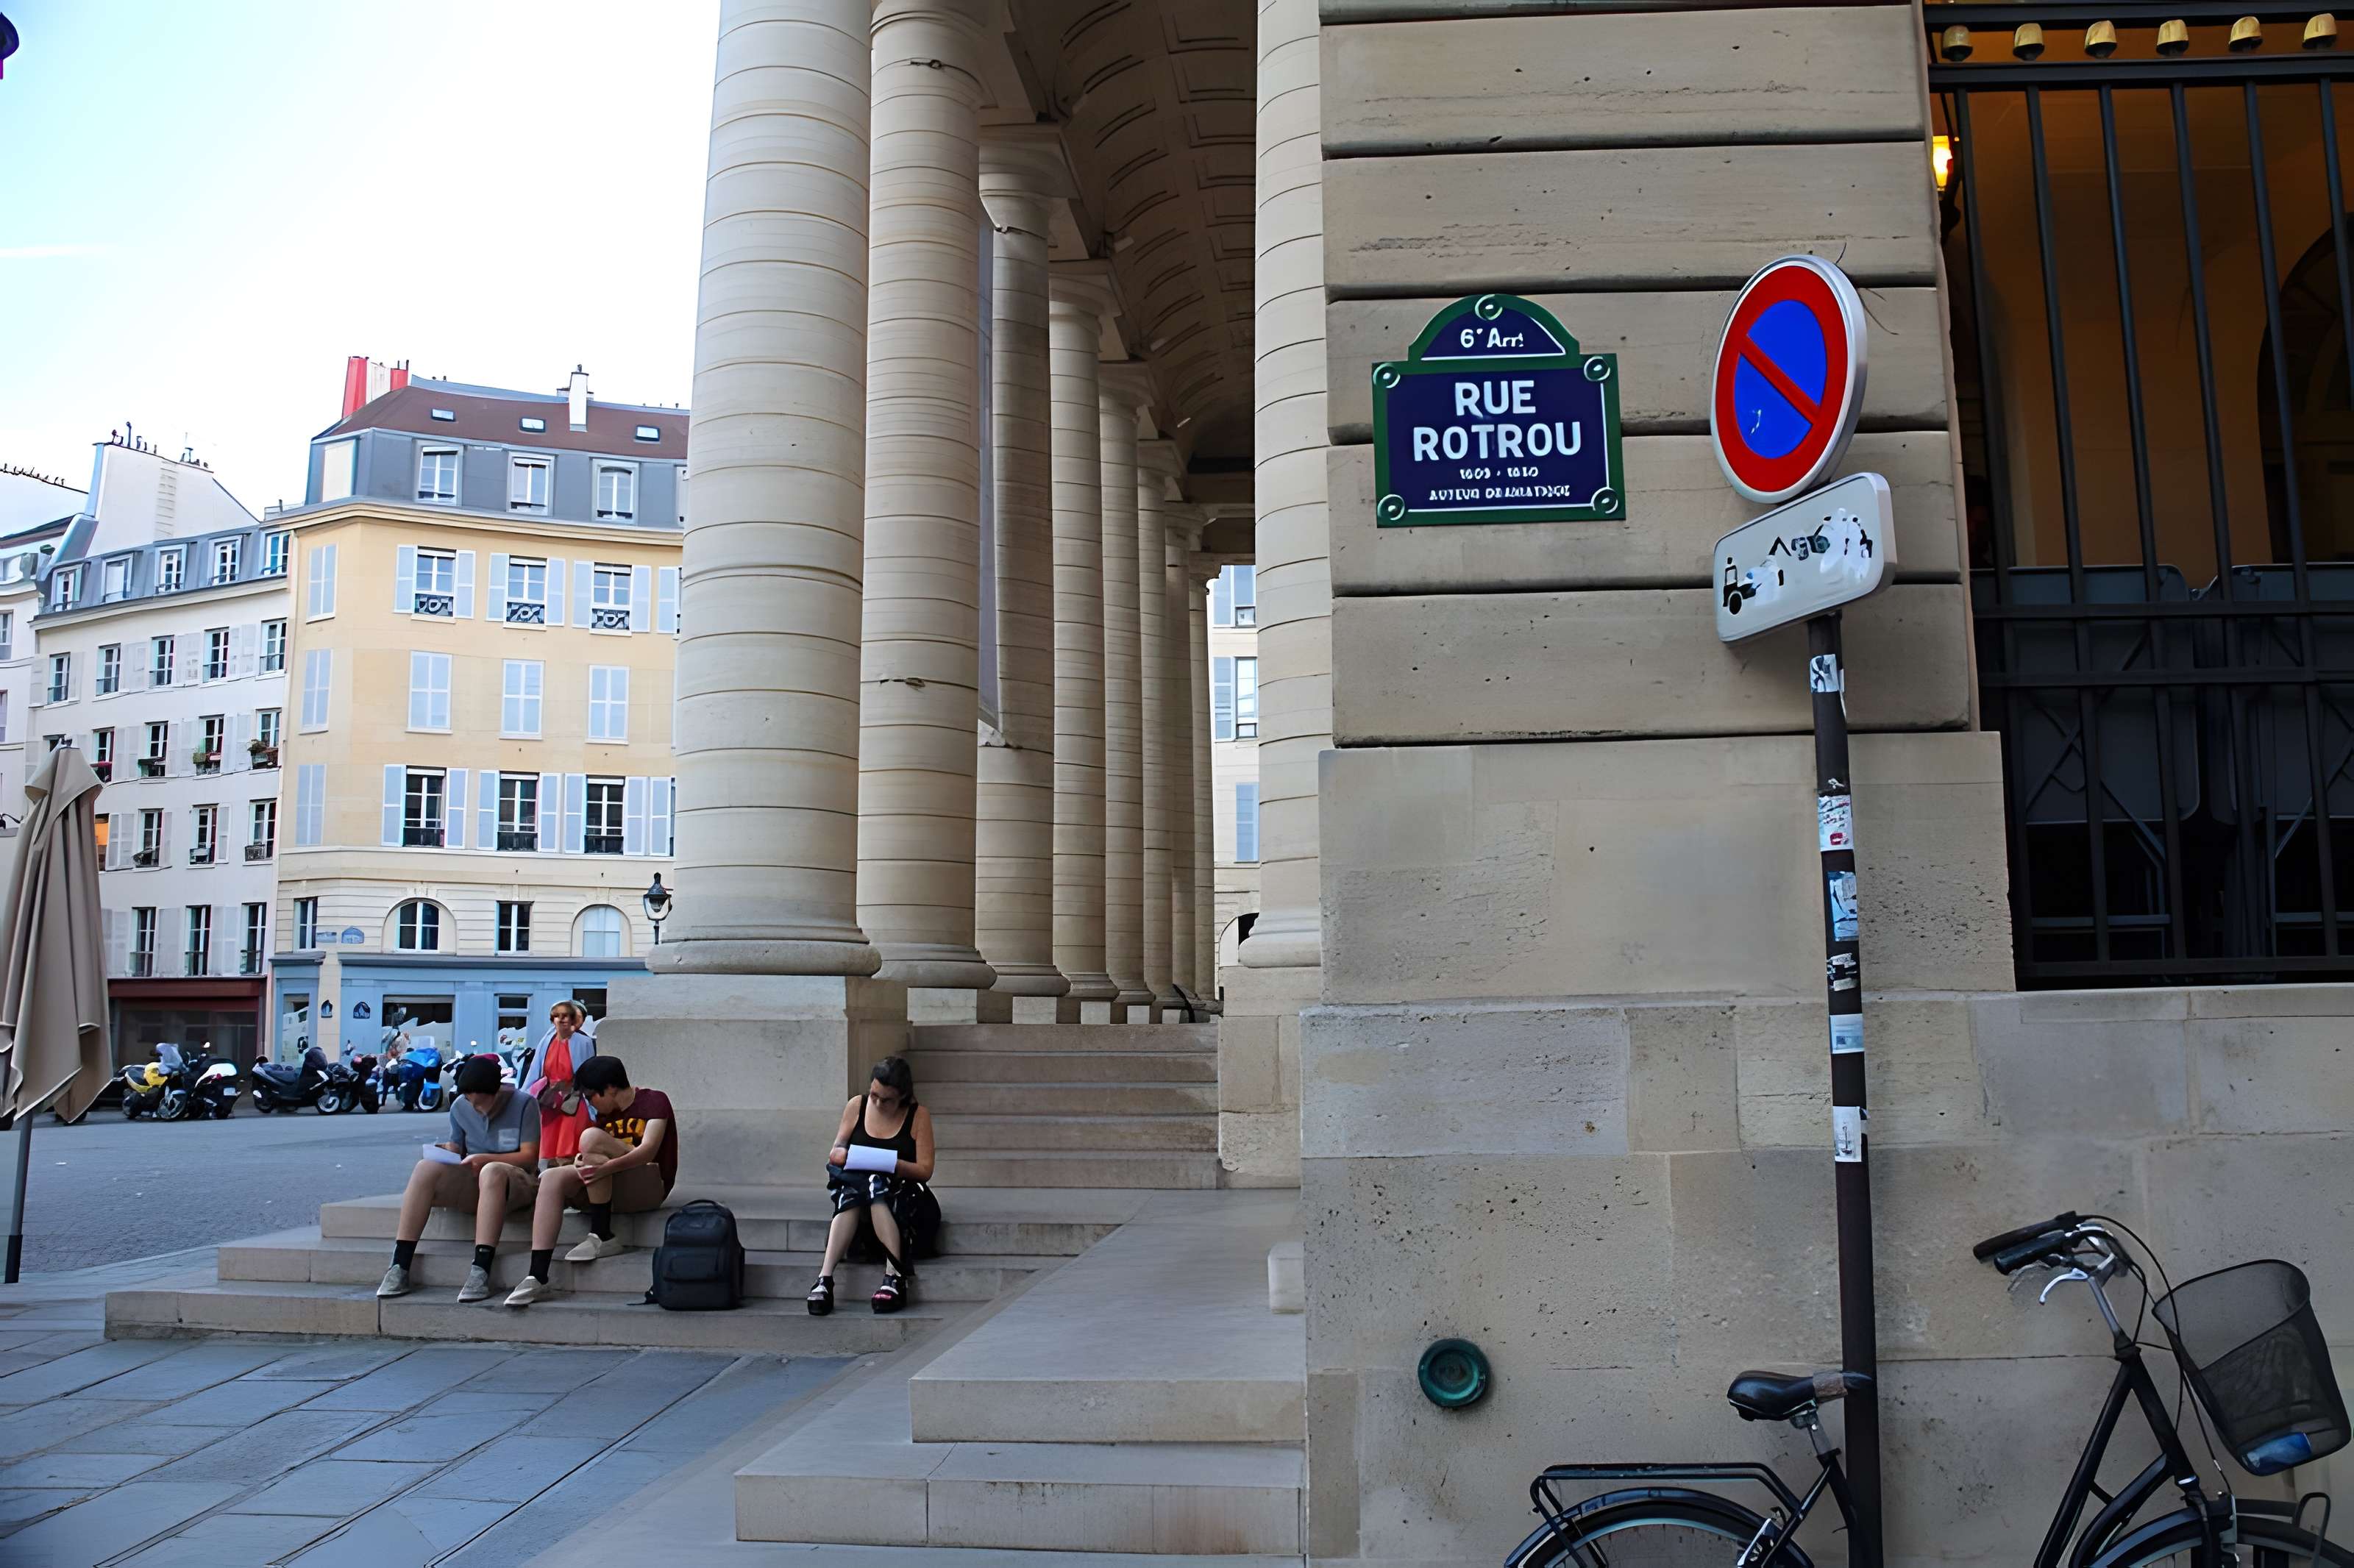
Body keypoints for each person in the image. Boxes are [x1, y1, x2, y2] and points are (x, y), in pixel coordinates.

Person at [504, 1055, 676, 1308]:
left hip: (649, 1181)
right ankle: (537, 1274)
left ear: (610, 1089)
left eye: (591, 1096)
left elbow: (648, 1151)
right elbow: (595, 1157)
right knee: (553, 1176)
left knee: (590, 1138)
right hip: (614, 1183)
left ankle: (601, 1231)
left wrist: (605, 1168)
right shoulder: (605, 1116)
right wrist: (581, 1162)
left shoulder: (653, 1100)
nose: (589, 1103)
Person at [377, 1055, 540, 1303]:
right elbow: (457, 1148)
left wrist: (485, 1159)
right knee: (425, 1168)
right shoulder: (460, 1107)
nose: (478, 1109)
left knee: (492, 1170)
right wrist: (443, 1151)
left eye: (483, 1103)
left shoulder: (525, 1104)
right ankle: (399, 1264)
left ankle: (482, 1268)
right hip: (475, 1179)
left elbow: (530, 1157)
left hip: (516, 1181)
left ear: (496, 1092)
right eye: (471, 1102)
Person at [808, 1056, 936, 1317]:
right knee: (857, 1189)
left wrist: (889, 1163)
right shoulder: (857, 1105)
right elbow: (837, 1150)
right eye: (874, 1095)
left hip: (904, 1192)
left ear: (902, 1096)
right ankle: (825, 1277)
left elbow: (925, 1170)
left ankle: (894, 1273)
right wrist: (843, 1155)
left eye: (886, 1099)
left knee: (876, 1186)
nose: (877, 1103)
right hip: (859, 1191)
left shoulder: (917, 1115)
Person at [520, 1001, 592, 1165]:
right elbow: (535, 1071)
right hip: (550, 1101)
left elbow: (588, 1073)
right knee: (549, 1153)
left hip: (574, 1101)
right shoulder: (547, 1041)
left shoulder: (584, 1042)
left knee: (569, 1150)